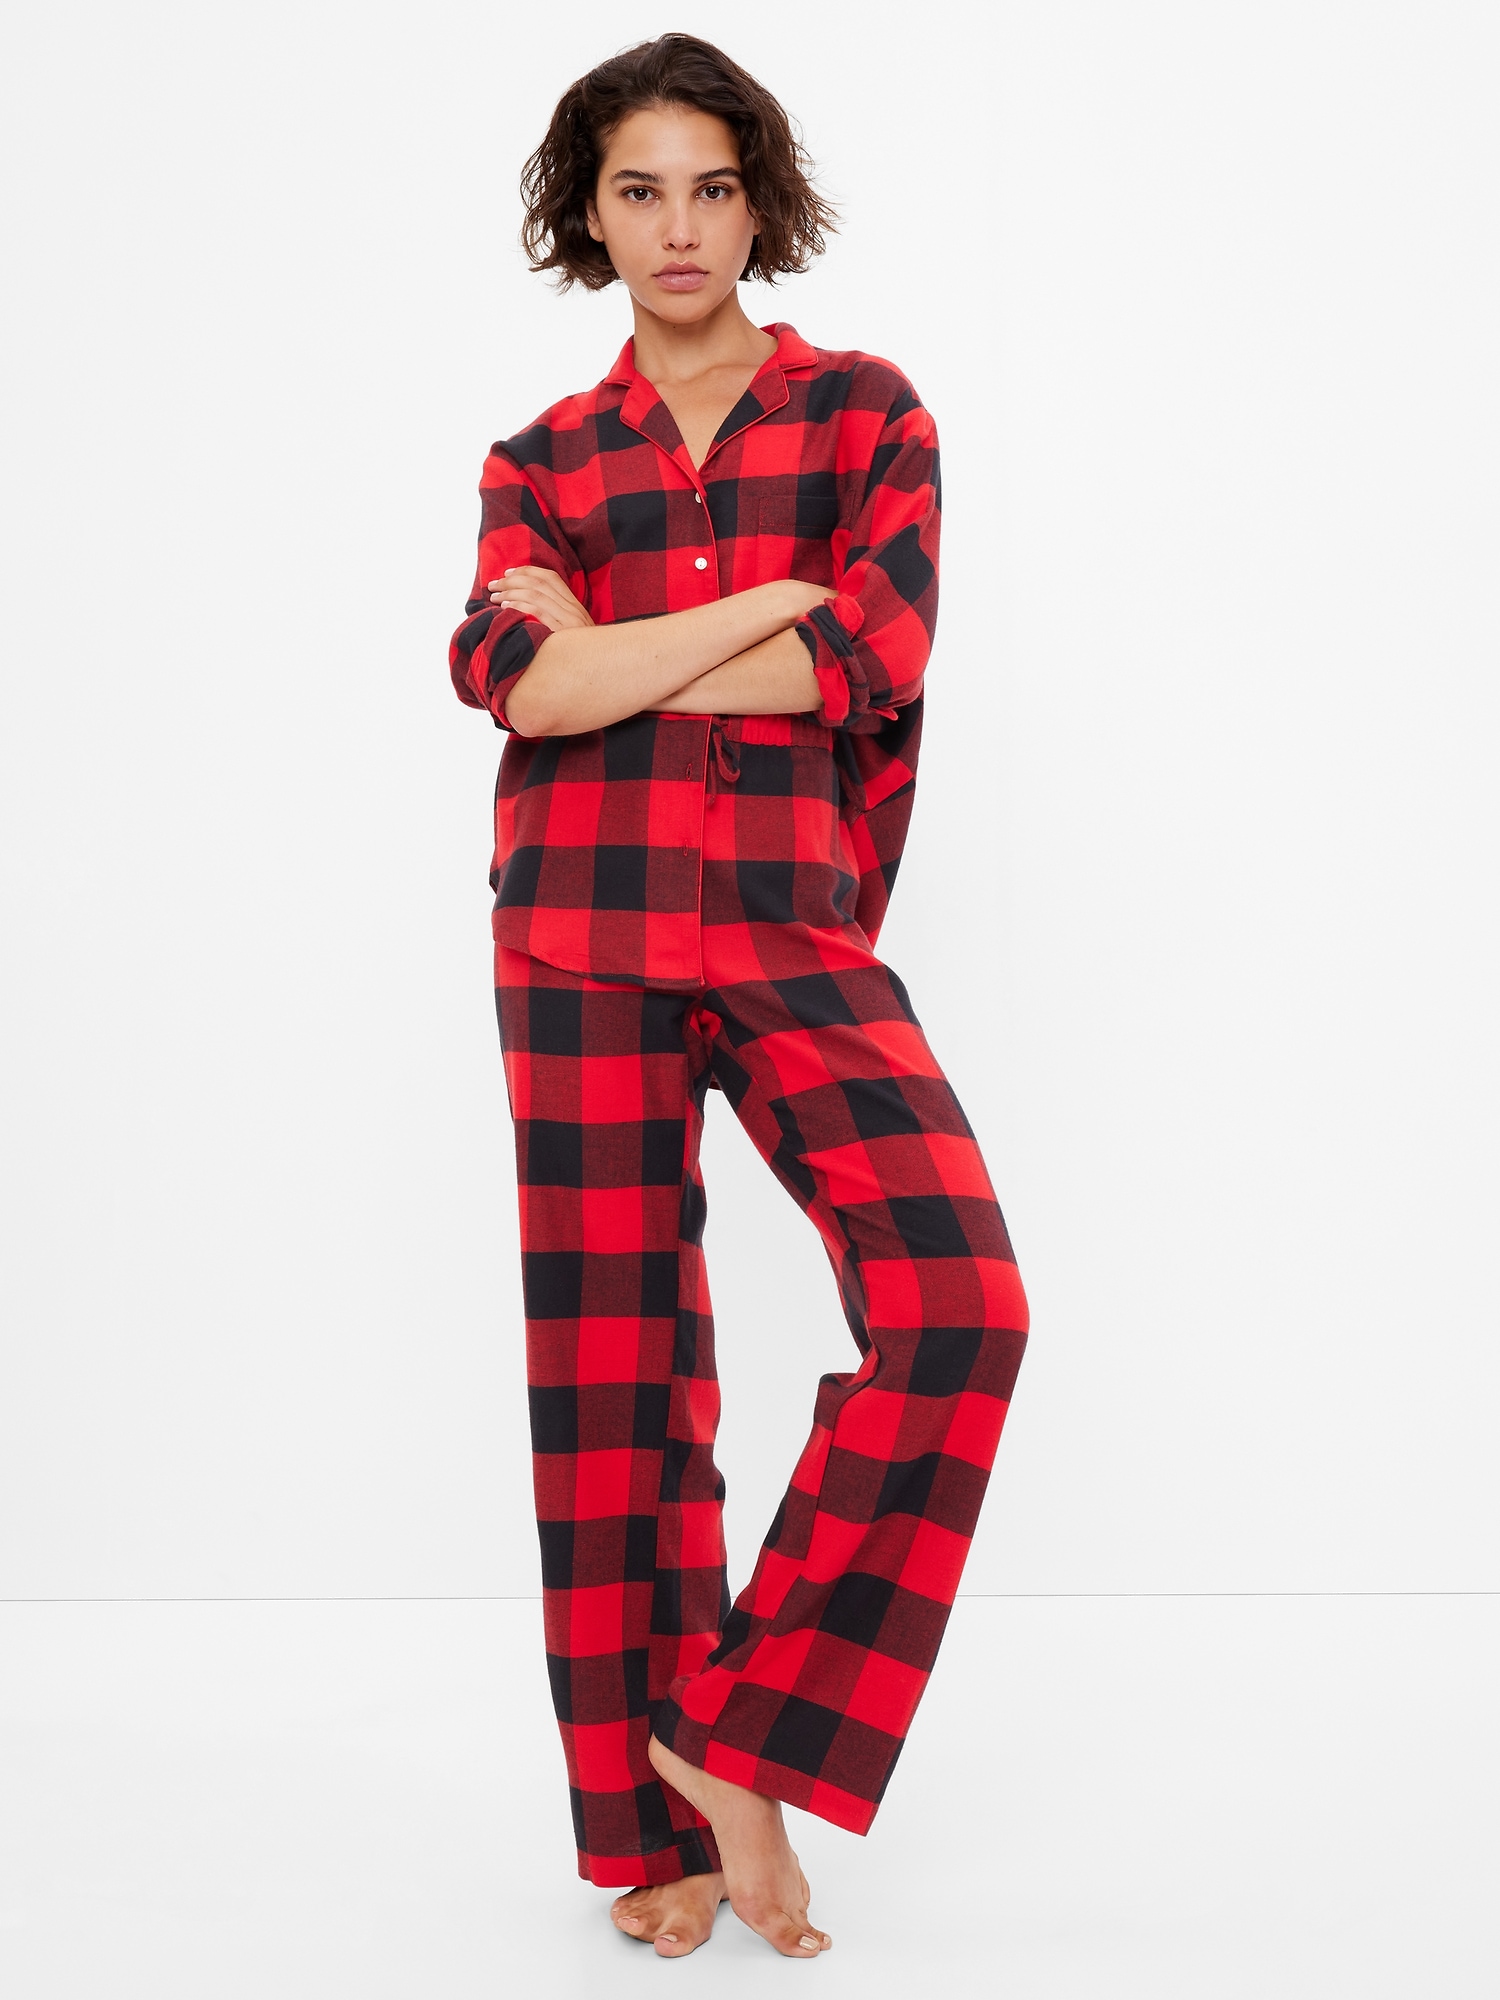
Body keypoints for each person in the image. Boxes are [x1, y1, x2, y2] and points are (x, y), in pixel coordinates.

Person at [448, 32, 1028, 1962]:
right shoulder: (540, 458)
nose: (679, 226)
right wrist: (763, 607)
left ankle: (732, 1734)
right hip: (579, 934)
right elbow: (525, 689)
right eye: (640, 190)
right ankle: (656, 1841)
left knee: (960, 1304)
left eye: (712, 186)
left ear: (760, 200)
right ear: (589, 214)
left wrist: (628, 648)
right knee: (614, 1389)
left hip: (792, 926)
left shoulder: (866, 413)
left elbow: (870, 660)